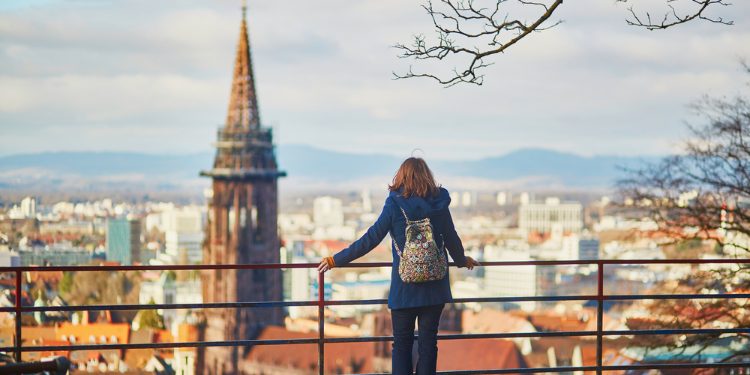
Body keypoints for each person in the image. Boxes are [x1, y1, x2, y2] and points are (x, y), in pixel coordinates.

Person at [318, 157, 480, 375]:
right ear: (427, 176)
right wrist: (463, 261)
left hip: (405, 289)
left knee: (402, 345)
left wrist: (335, 260)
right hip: (435, 286)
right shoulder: (440, 203)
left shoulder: (395, 203)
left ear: (401, 177)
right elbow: (451, 238)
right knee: (428, 346)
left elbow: (370, 239)